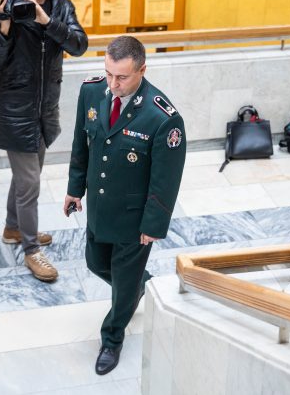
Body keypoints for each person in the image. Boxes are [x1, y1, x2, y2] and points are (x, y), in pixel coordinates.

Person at [63, 36, 186, 375]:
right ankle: (139, 285)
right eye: (108, 74)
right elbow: (81, 144)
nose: (113, 85)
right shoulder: (92, 91)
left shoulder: (162, 117)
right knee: (95, 263)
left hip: (134, 219)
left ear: (142, 70)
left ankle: (112, 338)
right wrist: (75, 189)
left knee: (122, 282)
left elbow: (167, 179)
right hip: (101, 206)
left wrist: (153, 224)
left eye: (122, 77)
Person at [0, 0, 88, 282]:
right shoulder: (4, 6)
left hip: (45, 109)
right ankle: (31, 250)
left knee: (26, 178)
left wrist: (45, 21)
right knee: (30, 183)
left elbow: (79, 44)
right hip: (14, 111)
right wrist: (6, 28)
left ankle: (14, 228)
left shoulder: (61, 6)